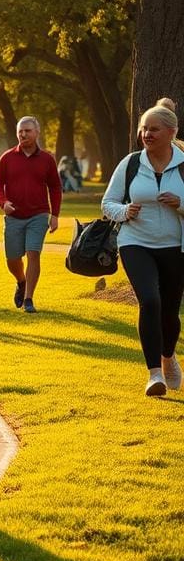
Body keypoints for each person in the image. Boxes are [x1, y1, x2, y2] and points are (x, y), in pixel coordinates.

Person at [102, 101, 184, 397]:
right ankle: (154, 374)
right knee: (150, 300)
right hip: (135, 242)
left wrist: (181, 204)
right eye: (144, 129)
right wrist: (125, 211)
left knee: (170, 311)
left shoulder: (183, 163)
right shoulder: (132, 163)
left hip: (175, 246)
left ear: (171, 132)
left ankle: (168, 356)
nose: (147, 134)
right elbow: (107, 203)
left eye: (154, 129)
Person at [0, 116, 62, 313]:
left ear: (37, 133)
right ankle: (21, 281)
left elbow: (55, 187)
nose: (23, 134)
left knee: (33, 254)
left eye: (27, 131)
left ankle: (29, 299)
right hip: (14, 216)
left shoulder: (47, 159)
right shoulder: (7, 157)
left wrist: (54, 215)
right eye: (20, 131)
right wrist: (3, 202)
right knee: (13, 259)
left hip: (38, 215)